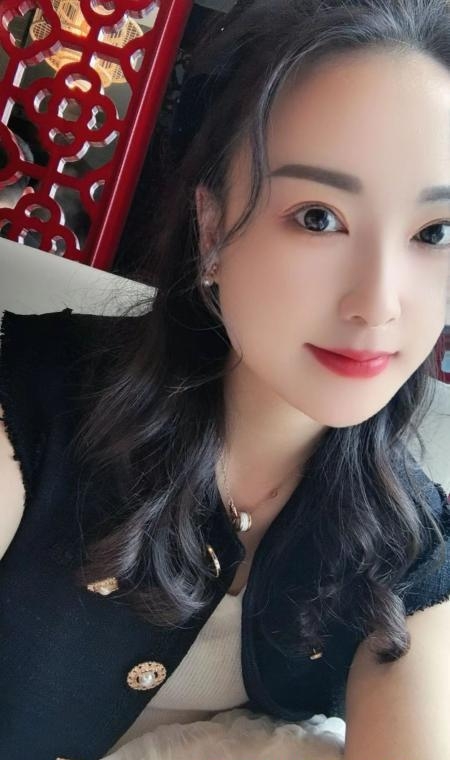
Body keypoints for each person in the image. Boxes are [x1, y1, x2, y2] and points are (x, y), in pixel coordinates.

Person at [0, 1, 449, 759]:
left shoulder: (409, 543)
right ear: (212, 229)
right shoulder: (33, 412)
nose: (378, 304)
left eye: (436, 232)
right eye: (317, 217)